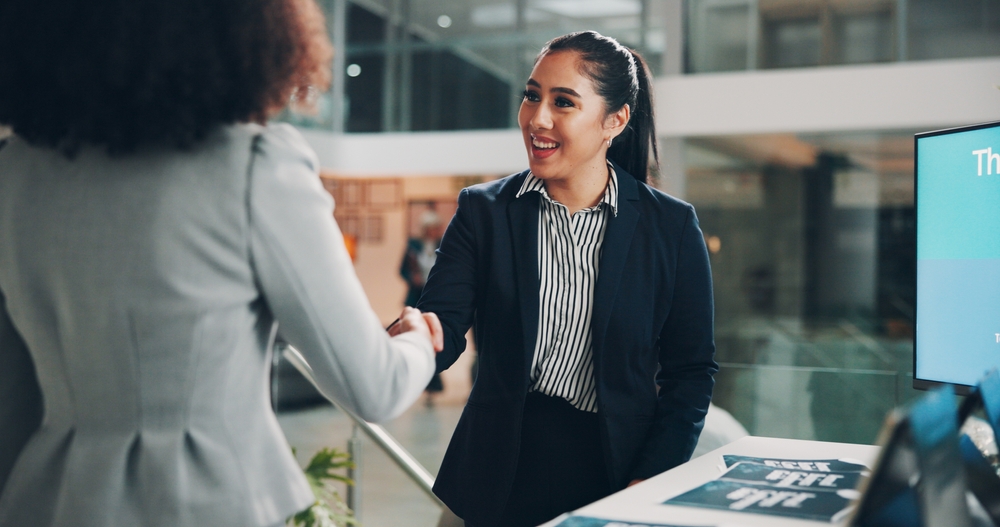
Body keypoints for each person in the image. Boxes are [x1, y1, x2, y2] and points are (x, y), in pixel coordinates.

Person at [0, 1, 442, 526]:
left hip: (52, 500)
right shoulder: (253, 167)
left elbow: (14, 388)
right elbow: (375, 385)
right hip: (211, 504)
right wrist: (417, 338)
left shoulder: (15, 174)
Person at [416, 31, 718, 527]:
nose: (538, 118)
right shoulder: (483, 211)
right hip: (494, 472)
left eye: (563, 102)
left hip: (614, 473)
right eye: (532, 95)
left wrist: (653, 477)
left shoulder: (671, 227)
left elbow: (691, 372)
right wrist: (410, 339)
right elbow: (443, 327)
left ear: (614, 121)